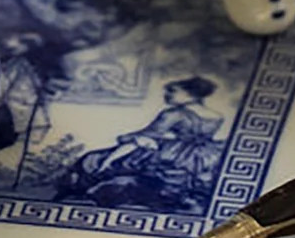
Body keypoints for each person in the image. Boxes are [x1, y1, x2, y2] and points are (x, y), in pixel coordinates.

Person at [54, 76, 225, 211]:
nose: (167, 95)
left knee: (95, 159)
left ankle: (73, 192)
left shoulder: (174, 114)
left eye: (172, 91)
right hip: (201, 156)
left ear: (190, 94)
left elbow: (144, 137)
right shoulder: (216, 116)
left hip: (171, 155)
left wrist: (111, 157)